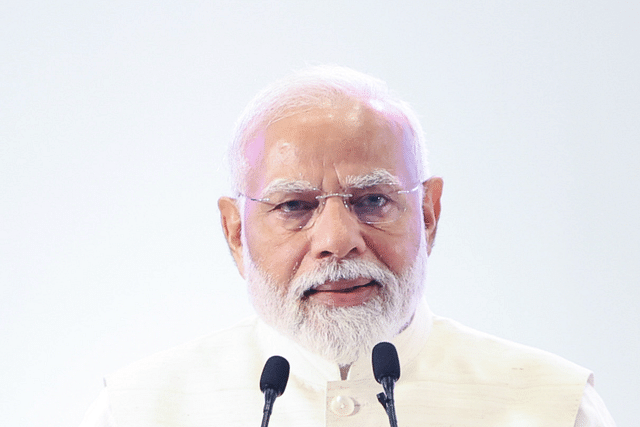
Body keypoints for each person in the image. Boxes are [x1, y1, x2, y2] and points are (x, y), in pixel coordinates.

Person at [80, 65, 616, 427]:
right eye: (294, 206)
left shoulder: (552, 408)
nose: (337, 241)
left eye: (373, 200)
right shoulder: (134, 411)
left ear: (428, 214)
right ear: (236, 232)